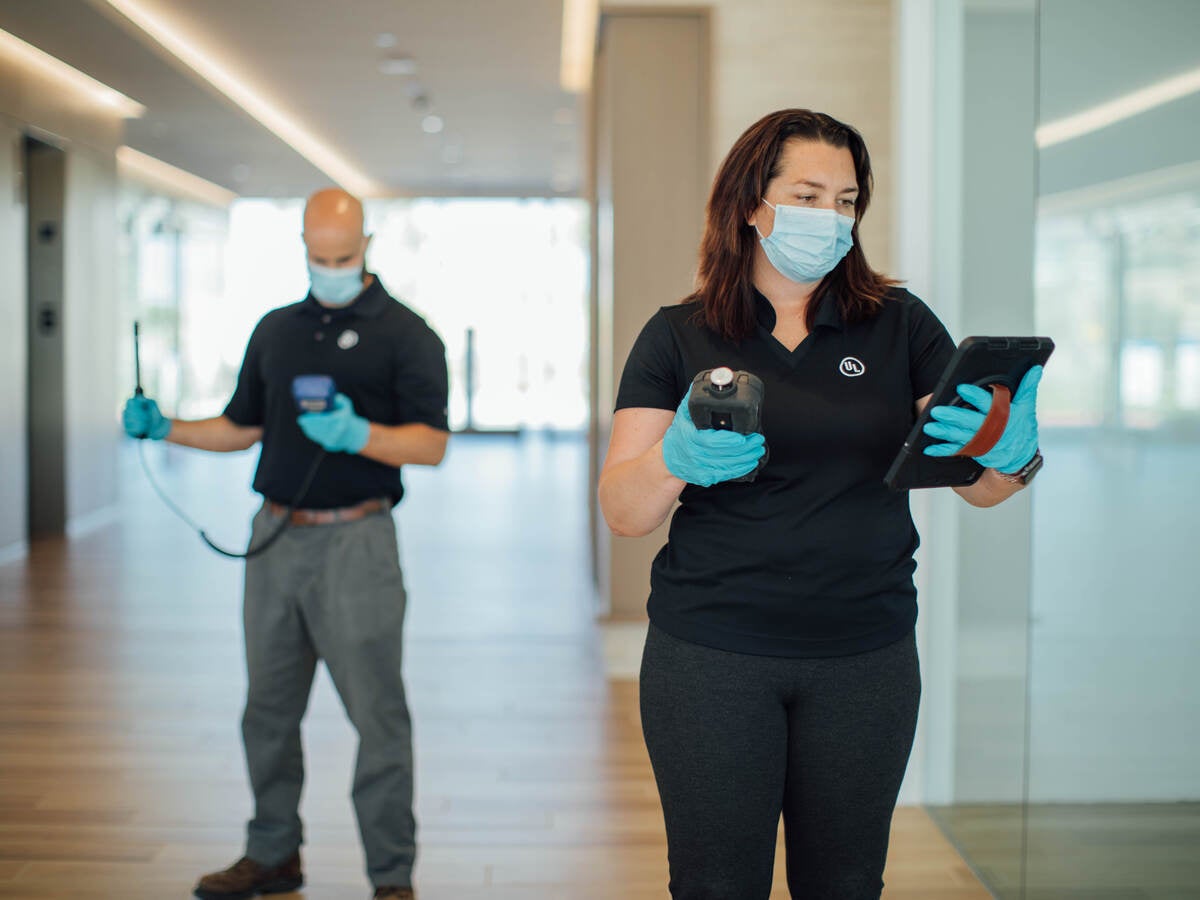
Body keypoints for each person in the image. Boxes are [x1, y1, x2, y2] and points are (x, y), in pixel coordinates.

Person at [597, 109, 1044, 899]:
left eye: (846, 201)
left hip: (865, 658)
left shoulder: (900, 326)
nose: (830, 218)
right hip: (712, 658)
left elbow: (983, 487)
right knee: (715, 885)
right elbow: (625, 511)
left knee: (845, 884)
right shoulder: (678, 336)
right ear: (749, 205)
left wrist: (1013, 454)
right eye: (807, 195)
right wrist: (675, 460)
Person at [123, 188, 450, 900]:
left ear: (367, 243)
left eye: (344, 255)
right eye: (318, 255)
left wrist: (359, 434)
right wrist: (164, 427)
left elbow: (431, 443)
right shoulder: (275, 330)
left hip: (357, 543)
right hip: (273, 538)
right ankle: (273, 853)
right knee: (267, 710)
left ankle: (392, 878)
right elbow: (241, 426)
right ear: (302, 243)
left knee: (377, 716)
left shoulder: (408, 334)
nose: (330, 267)